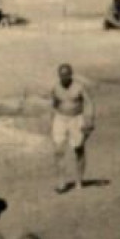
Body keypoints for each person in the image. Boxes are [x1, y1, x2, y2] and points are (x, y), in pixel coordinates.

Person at [51, 64, 95, 193]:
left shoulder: (79, 87)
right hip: (60, 119)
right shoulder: (55, 87)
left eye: (66, 75)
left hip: (76, 119)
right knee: (58, 150)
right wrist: (52, 121)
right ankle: (61, 182)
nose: (63, 77)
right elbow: (54, 104)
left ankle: (79, 181)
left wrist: (90, 120)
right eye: (61, 75)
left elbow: (89, 102)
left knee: (78, 149)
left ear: (71, 75)